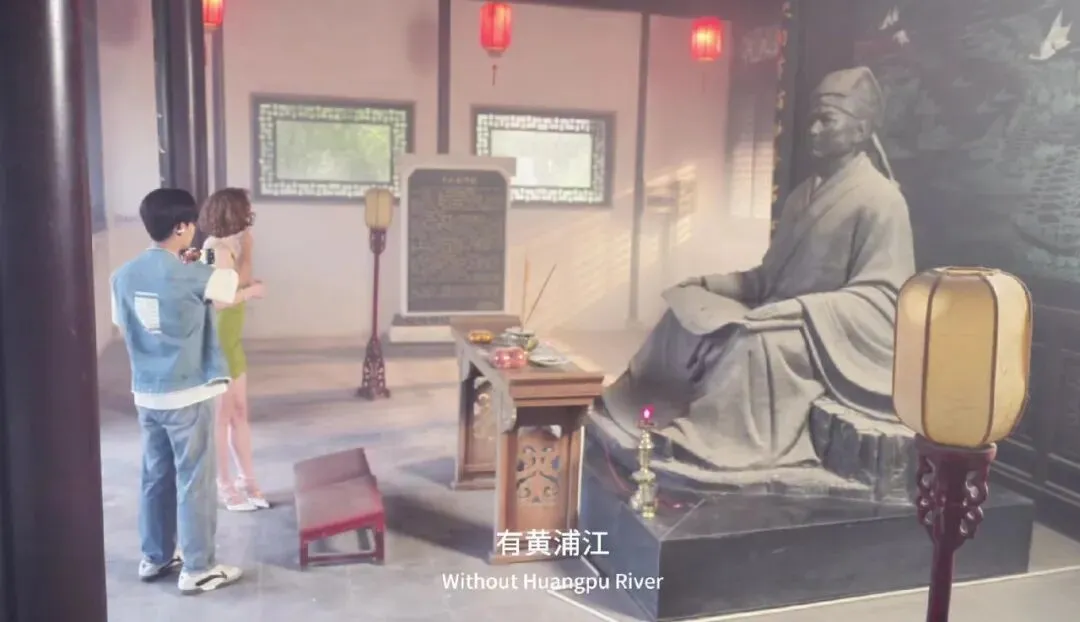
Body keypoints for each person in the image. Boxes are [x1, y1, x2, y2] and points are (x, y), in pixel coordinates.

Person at [599, 66, 916, 474]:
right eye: (813, 120)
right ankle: (639, 405)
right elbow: (767, 279)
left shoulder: (881, 201)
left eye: (827, 121)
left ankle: (706, 441)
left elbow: (885, 298)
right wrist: (707, 284)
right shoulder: (801, 196)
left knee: (754, 343)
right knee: (683, 316)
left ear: (860, 130)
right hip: (777, 313)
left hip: (823, 335)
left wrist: (799, 311)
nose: (814, 130)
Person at [111, 188, 258, 594]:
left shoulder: (122, 276)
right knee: (195, 479)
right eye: (191, 224)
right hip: (188, 392)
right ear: (180, 227)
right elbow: (232, 284)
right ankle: (198, 567)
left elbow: (123, 326)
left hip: (147, 392)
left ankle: (155, 556)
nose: (194, 230)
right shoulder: (194, 273)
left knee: (155, 476)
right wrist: (244, 247)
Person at [198, 188, 268, 512]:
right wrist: (251, 292)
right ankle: (224, 484)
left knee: (239, 411)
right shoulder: (213, 249)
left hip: (232, 341)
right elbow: (219, 300)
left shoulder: (229, 246)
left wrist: (248, 252)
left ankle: (247, 480)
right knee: (221, 418)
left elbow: (239, 280)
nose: (250, 214)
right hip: (217, 342)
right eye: (246, 208)